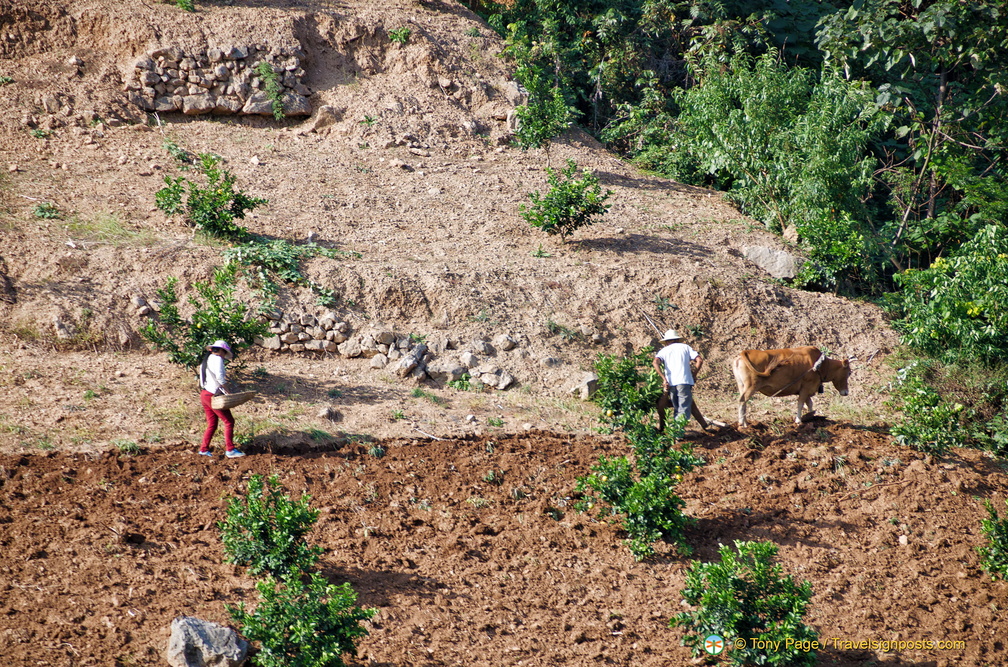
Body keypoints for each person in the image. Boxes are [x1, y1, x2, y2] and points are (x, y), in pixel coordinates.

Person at [198, 340, 245, 458]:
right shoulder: (217, 359)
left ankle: (203, 449)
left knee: (212, 423)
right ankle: (230, 449)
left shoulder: (207, 360)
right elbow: (220, 377)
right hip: (213, 396)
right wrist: (227, 391)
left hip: (205, 394)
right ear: (222, 351)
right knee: (229, 421)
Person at [653, 329, 704, 423]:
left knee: (677, 407)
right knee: (684, 408)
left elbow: (655, 362)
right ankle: (678, 432)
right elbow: (699, 360)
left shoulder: (664, 350)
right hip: (684, 381)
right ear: (677, 339)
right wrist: (694, 374)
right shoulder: (685, 347)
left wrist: (663, 378)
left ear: (667, 341)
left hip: (671, 382)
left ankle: (676, 432)